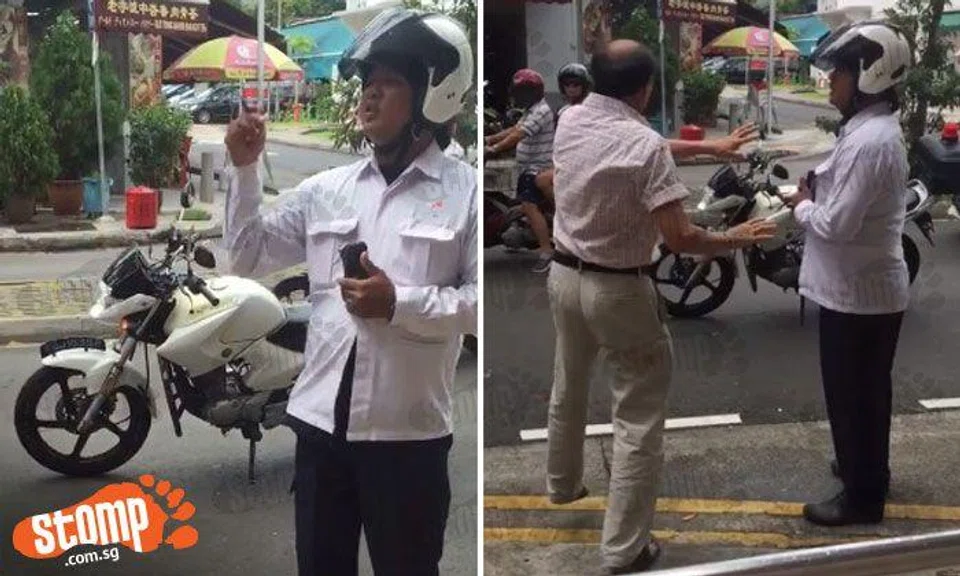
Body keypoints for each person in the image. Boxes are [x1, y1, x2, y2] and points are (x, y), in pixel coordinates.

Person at [222, 8, 476, 575]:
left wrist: (401, 304)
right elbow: (247, 254)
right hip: (318, 430)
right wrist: (243, 170)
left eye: (387, 84)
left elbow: (483, 308)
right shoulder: (327, 190)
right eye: (366, 84)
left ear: (435, 92)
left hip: (407, 438)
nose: (368, 97)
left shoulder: (468, 195)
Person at [546, 39, 776, 574]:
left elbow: (634, 143)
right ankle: (625, 549)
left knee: (569, 382)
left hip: (563, 276)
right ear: (645, 89)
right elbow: (679, 238)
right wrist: (737, 236)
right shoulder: (642, 146)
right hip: (619, 290)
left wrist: (711, 150)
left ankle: (562, 485)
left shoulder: (572, 120)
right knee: (638, 417)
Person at [782, 20, 913, 527]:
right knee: (863, 394)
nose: (830, 83)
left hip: (859, 296)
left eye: (838, 73)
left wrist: (802, 205)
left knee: (854, 396)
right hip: (859, 291)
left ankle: (863, 498)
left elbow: (834, 224)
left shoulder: (871, 141)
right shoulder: (866, 132)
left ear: (869, 75)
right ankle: (864, 467)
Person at [484, 68, 556, 272]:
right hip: (527, 168)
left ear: (536, 92)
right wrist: (490, 139)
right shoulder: (531, 110)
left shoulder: (541, 111)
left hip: (537, 169)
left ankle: (546, 251)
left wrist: (493, 149)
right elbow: (514, 129)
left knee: (529, 206)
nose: (521, 96)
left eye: (525, 92)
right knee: (523, 205)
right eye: (519, 92)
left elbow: (519, 135)